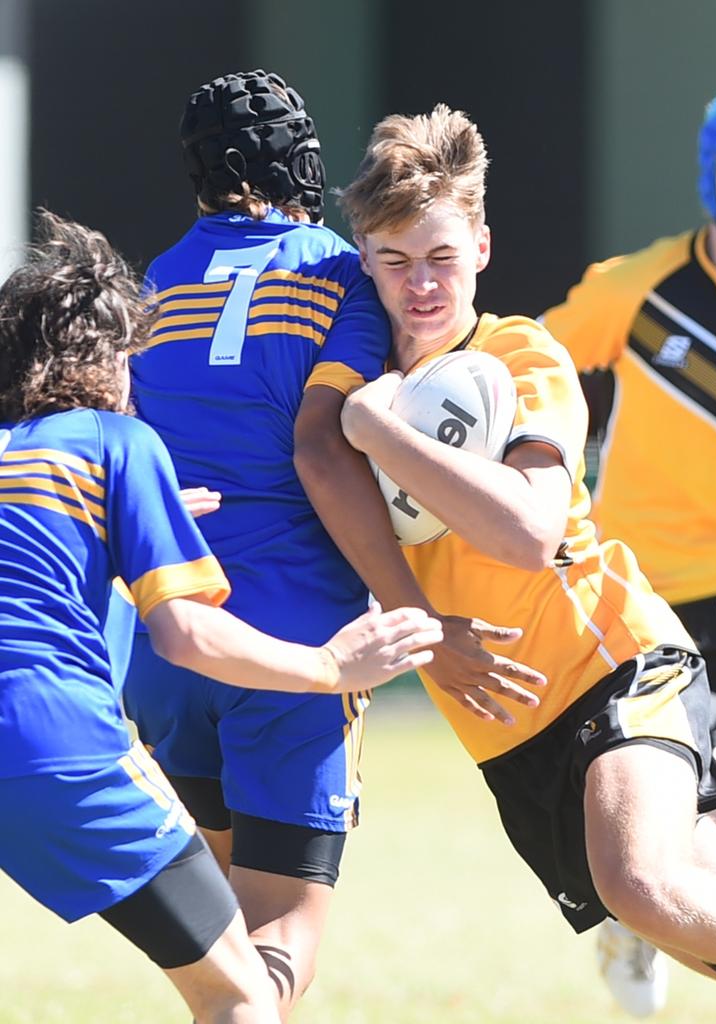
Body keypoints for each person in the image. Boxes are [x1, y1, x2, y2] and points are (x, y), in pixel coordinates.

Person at [120, 69, 541, 1020]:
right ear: (291, 161)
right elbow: (323, 446)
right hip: (297, 646)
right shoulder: (335, 271)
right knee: (280, 941)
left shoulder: (160, 279)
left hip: (173, 640)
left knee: (223, 932)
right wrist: (416, 620)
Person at [333, 102, 716, 1022]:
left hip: (614, 661)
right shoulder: (346, 379)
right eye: (396, 261)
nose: (421, 285)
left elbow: (530, 532)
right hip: (507, 732)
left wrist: (378, 430)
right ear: (362, 257)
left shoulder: (514, 355)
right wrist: (421, 630)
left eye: (442, 258)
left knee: (644, 884)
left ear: (482, 249)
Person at [0, 210, 444, 1023]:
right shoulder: (116, 439)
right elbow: (185, 634)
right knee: (242, 990)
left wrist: (128, 535)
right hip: (54, 743)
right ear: (109, 357)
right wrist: (331, 668)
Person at [541, 81, 716, 1023]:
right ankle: (639, 917)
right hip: (650, 610)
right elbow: (532, 372)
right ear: (708, 183)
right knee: (703, 860)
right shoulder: (636, 288)